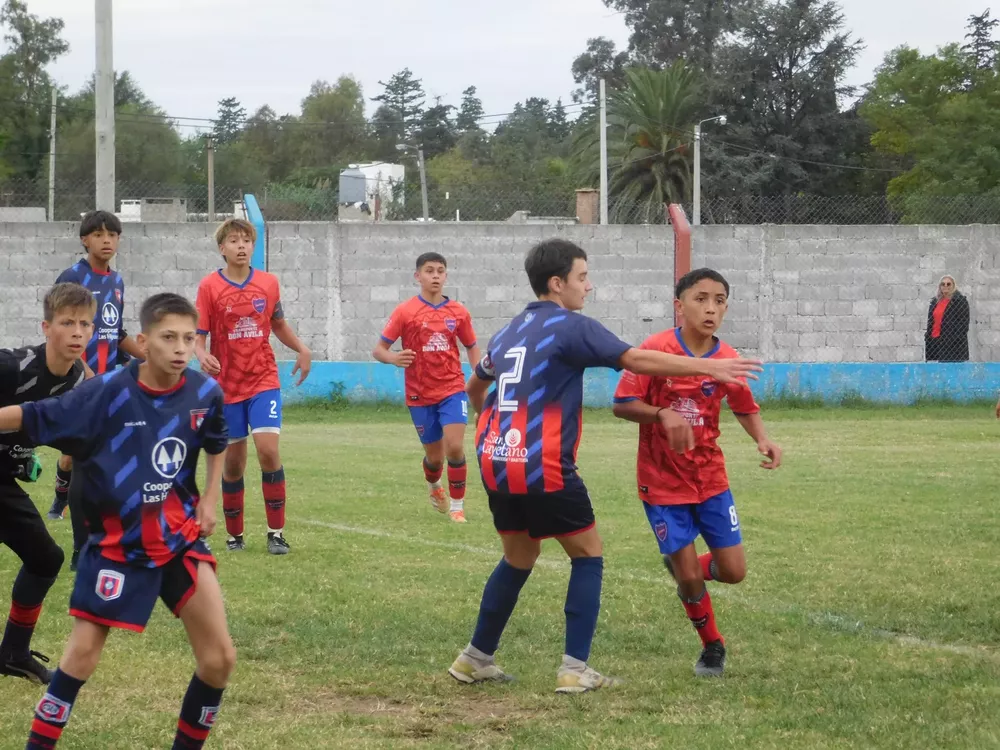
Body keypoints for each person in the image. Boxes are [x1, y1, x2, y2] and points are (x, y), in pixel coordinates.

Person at [447, 239, 764, 694]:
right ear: (557, 284)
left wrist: (487, 419)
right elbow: (635, 360)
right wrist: (708, 369)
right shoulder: (571, 326)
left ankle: (475, 658)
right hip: (543, 463)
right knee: (588, 555)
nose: (587, 286)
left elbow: (474, 385)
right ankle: (575, 669)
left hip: (497, 459)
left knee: (519, 556)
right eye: (582, 277)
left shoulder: (510, 330)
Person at [10, 293, 236, 750]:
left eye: (189, 339)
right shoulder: (105, 393)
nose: (180, 348)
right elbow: (32, 415)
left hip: (178, 538)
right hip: (116, 545)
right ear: (143, 341)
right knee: (81, 657)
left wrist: (210, 499)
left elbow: (216, 442)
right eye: (168, 337)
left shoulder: (204, 392)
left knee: (220, 659)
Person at [612, 268, 782, 678]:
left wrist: (762, 438)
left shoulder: (726, 360)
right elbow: (621, 404)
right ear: (679, 305)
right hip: (661, 481)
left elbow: (743, 405)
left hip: (710, 479)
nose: (711, 308)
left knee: (734, 572)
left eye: (719, 300)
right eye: (701, 298)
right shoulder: (654, 350)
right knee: (689, 577)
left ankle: (685, 567)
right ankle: (712, 647)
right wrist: (661, 413)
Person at [195, 218, 311, 555]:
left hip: (263, 379)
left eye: (247, 240)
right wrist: (201, 355)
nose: (242, 246)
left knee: (269, 451)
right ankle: (235, 536)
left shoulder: (268, 283)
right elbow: (199, 337)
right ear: (222, 248)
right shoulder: (209, 287)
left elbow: (278, 324)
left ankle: (276, 533)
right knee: (233, 464)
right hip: (226, 386)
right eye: (234, 240)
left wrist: (302, 349)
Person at [0, 283, 93, 685]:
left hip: (3, 482)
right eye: (67, 322)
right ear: (45, 327)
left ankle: (14, 653)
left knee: (45, 558)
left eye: (85, 323)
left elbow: (69, 432)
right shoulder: (11, 366)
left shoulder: (76, 379)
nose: (77, 331)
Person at [46, 210, 143, 576]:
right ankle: (81, 547)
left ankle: (109, 542)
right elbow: (58, 328)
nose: (107, 240)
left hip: (111, 384)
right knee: (78, 458)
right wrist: (80, 370)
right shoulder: (73, 278)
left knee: (106, 462)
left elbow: (116, 333)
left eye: (113, 234)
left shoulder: (116, 282)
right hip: (80, 384)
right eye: (99, 234)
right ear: (85, 240)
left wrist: (149, 356)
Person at [373, 253, 480, 523]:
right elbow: (379, 349)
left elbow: (471, 346)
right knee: (435, 458)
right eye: (429, 270)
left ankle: (457, 507)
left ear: (446, 276)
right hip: (419, 394)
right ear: (417, 276)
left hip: (453, 389)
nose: (435, 275)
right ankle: (434, 486)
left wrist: (478, 377)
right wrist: (395, 358)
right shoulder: (405, 312)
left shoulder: (458, 312)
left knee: (455, 447)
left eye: (440, 271)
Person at [924, 275, 970, 362]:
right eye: (943, 284)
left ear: (953, 286)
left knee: (951, 372)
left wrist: (952, 340)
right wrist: (928, 337)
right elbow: (931, 322)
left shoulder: (960, 301)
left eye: (948, 284)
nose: (945, 286)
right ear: (940, 286)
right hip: (935, 343)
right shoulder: (935, 301)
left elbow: (963, 325)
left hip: (952, 345)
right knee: (936, 372)